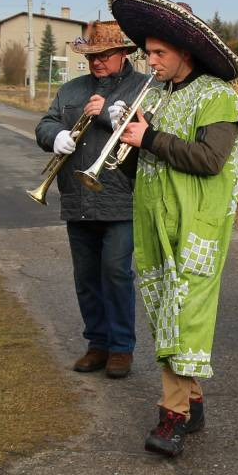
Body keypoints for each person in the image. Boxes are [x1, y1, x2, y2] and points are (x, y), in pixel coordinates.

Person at [108, 0, 238, 458]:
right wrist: (126, 141)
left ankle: (172, 417)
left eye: (159, 53)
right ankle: (193, 403)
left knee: (183, 318)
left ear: (185, 51)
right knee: (162, 314)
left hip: (197, 226)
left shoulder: (218, 96)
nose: (150, 62)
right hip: (155, 220)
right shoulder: (158, 96)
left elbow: (210, 160)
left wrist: (149, 137)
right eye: (147, 53)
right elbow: (143, 166)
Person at [34, 21, 148, 379]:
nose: (97, 62)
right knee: (85, 277)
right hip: (77, 198)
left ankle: (121, 348)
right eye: (92, 56)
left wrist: (111, 115)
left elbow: (153, 133)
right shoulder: (72, 89)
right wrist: (55, 136)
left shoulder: (144, 87)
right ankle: (97, 344)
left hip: (120, 197)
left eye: (105, 55)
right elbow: (45, 124)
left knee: (115, 272)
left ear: (123, 53)